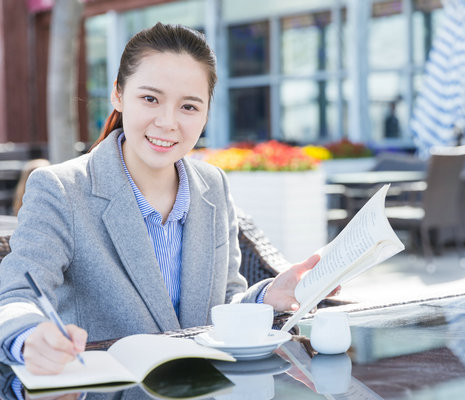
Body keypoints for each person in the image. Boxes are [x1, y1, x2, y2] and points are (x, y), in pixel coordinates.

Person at [0, 23, 325, 376]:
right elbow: (15, 295)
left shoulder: (212, 185)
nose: (168, 122)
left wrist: (266, 298)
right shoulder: (61, 189)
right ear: (119, 95)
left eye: (188, 106)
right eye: (150, 99)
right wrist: (31, 336)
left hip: (200, 387)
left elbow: (220, 305)